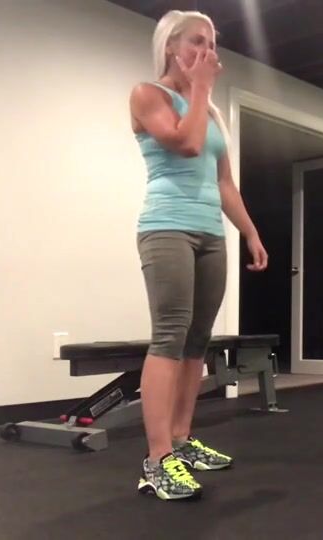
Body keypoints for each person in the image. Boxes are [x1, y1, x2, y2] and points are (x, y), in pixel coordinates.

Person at [129, 10, 268, 500]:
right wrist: (203, 87)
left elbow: (224, 182)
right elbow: (185, 146)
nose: (207, 51)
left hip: (211, 233)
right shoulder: (148, 95)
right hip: (167, 227)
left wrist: (250, 232)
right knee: (170, 335)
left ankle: (182, 440)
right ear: (171, 46)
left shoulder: (208, 113)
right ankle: (157, 458)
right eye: (196, 41)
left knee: (197, 342)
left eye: (212, 43)